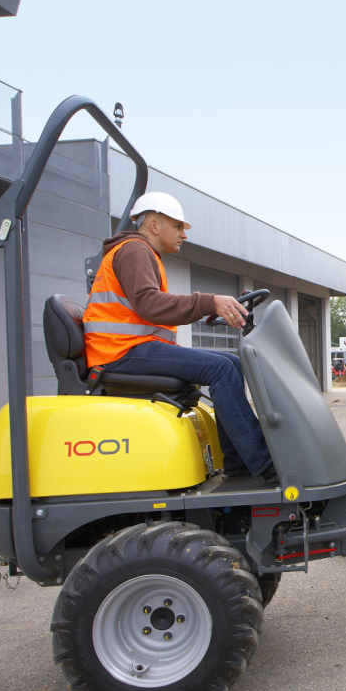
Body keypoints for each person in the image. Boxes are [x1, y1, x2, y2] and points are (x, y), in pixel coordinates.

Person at [82, 191, 273, 480]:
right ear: (155, 225)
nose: (184, 234)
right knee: (220, 368)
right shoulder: (135, 251)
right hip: (120, 353)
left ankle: (239, 463)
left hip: (130, 349)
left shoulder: (142, 253)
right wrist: (208, 302)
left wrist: (209, 307)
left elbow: (151, 308)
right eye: (178, 226)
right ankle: (264, 463)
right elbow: (149, 304)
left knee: (231, 363)